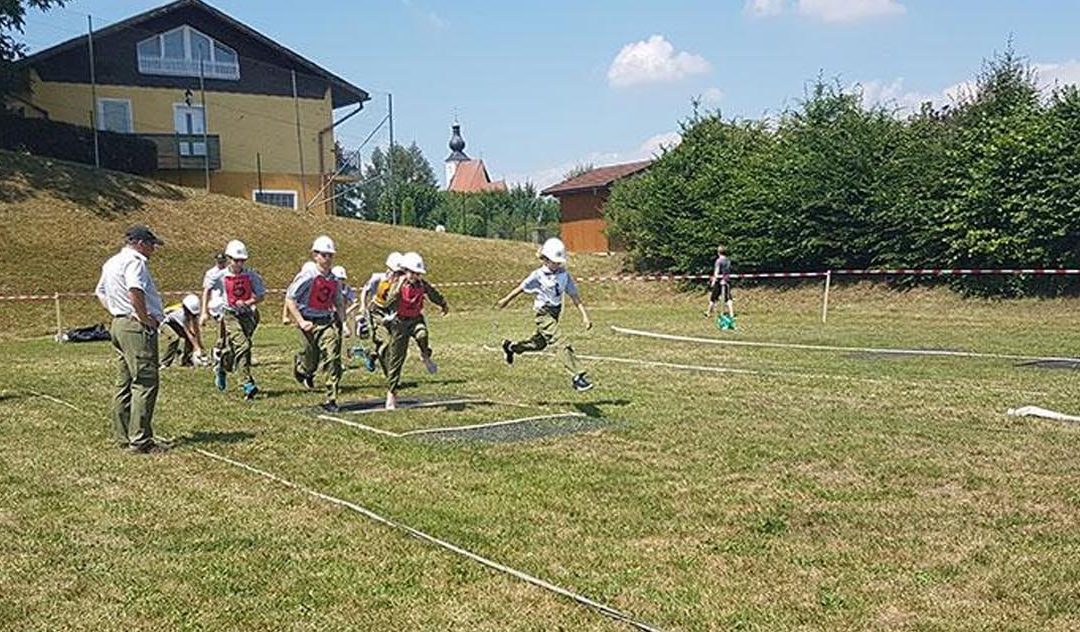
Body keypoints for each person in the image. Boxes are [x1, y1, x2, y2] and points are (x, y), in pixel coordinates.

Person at [94, 225, 168, 454]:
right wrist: (143, 317)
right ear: (139, 243)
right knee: (145, 380)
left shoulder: (111, 262)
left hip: (119, 323)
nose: (153, 249)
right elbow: (135, 289)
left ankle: (123, 434)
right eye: (151, 244)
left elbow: (100, 292)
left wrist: (117, 312)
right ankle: (141, 440)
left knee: (124, 381)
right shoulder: (136, 262)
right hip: (135, 326)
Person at [496, 237, 593, 392]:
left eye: (559, 261)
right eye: (555, 261)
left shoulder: (564, 275)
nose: (558, 264)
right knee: (560, 341)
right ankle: (578, 376)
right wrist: (506, 300)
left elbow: (574, 296)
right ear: (546, 259)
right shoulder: (538, 275)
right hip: (543, 314)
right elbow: (521, 288)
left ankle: (511, 347)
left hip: (555, 313)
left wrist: (585, 316)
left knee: (538, 344)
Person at [381, 251, 449, 409]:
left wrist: (443, 304)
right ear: (405, 271)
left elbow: (433, 294)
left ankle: (425, 355)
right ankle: (392, 392)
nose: (415, 276)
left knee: (422, 334)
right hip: (400, 323)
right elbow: (388, 303)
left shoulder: (421, 284)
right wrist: (397, 287)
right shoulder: (398, 284)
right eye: (412, 273)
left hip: (416, 319)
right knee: (396, 359)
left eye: (418, 273)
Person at [285, 235, 346, 412]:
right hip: (308, 322)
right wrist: (301, 321)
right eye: (324, 255)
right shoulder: (307, 276)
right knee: (310, 360)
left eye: (330, 255)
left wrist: (342, 322)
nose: (327, 259)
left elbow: (339, 301)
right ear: (315, 255)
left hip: (327, 321)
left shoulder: (334, 279)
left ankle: (332, 397)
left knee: (333, 357)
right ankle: (301, 367)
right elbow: (290, 299)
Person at [205, 239, 266, 399]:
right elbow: (207, 290)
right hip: (229, 315)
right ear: (228, 259)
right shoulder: (220, 275)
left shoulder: (250, 275)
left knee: (238, 348)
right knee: (243, 345)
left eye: (242, 260)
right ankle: (247, 383)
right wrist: (204, 312)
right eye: (235, 260)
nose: (239, 263)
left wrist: (248, 302)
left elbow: (260, 295)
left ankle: (223, 366)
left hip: (247, 314)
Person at [357, 252, 404, 373]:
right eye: (397, 272)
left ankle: (372, 355)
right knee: (385, 341)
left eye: (401, 273)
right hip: (376, 312)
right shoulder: (378, 278)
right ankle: (390, 374)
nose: (398, 275)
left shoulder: (401, 283)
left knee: (392, 343)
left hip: (391, 313)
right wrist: (362, 305)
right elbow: (365, 291)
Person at [159, 293, 207, 368]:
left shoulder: (192, 315)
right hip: (164, 322)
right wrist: (197, 348)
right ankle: (165, 363)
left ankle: (186, 360)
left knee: (190, 338)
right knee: (174, 338)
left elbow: (196, 330)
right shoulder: (182, 315)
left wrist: (200, 345)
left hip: (176, 323)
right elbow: (188, 332)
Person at [705, 244, 735, 329]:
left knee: (713, 297)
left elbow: (717, 271)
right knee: (728, 297)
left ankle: (708, 312)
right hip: (726, 280)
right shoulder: (728, 261)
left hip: (719, 281)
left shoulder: (718, 261)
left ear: (718, 252)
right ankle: (731, 313)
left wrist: (714, 281)